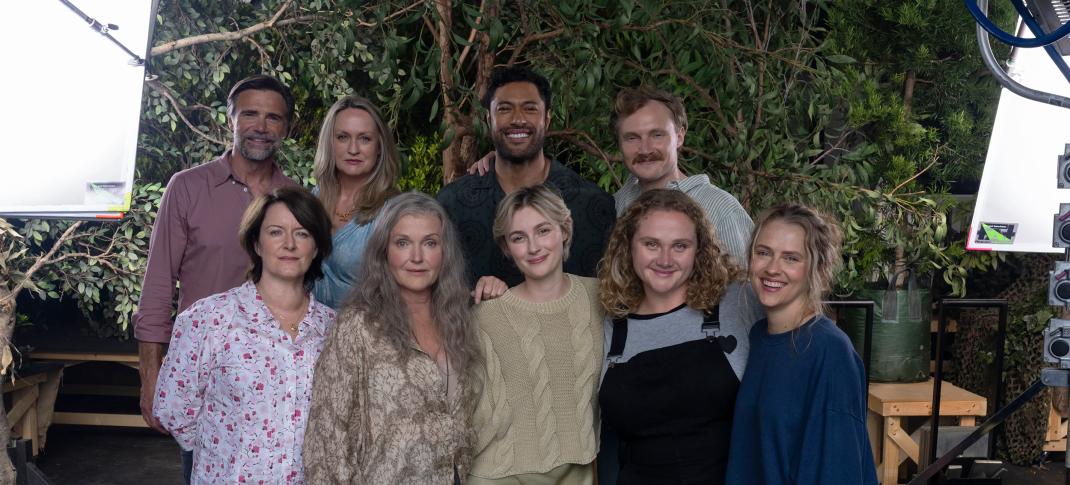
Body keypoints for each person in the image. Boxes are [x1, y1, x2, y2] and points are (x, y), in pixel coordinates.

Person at [134, 74, 299, 482]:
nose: (261, 126)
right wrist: (151, 377)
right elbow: (157, 288)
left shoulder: (297, 199)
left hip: (277, 388)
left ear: (287, 128)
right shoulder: (187, 188)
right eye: (250, 115)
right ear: (230, 120)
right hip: (204, 384)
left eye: (273, 118)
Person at [153, 187, 335, 484]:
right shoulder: (209, 320)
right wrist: (224, 452)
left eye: (302, 234)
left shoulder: (333, 329)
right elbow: (173, 409)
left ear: (315, 248)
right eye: (276, 232)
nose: (289, 244)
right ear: (257, 244)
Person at [303, 192, 478, 483]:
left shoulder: (459, 321)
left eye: (430, 243)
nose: (417, 257)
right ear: (384, 250)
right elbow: (326, 442)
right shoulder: (357, 326)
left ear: (445, 252)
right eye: (403, 243)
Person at [597, 189, 762, 484]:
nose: (665, 259)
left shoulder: (739, 302)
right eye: (651, 244)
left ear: (699, 250)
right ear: (628, 247)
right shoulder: (612, 322)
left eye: (680, 246)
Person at [725, 204, 877, 485]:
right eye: (763, 252)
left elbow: (838, 471)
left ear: (816, 268)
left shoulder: (830, 352)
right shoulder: (758, 337)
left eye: (791, 258)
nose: (772, 268)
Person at [469, 184, 604, 484]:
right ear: (506, 247)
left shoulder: (600, 298)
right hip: (500, 474)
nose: (533, 247)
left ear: (565, 230)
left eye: (543, 230)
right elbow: (467, 411)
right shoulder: (485, 316)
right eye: (519, 237)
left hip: (578, 471)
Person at [437, 66, 615, 286]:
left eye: (530, 108)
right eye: (504, 109)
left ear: (547, 119)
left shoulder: (593, 205)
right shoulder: (451, 205)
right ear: (488, 119)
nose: (517, 119)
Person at [610, 86, 753, 264]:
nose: (645, 149)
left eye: (657, 135)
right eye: (632, 138)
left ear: (679, 137)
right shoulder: (614, 205)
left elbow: (745, 288)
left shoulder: (720, 208)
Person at [311, 95, 400, 309]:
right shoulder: (312, 198)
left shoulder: (395, 212)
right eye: (342, 137)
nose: (353, 149)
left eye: (364, 138)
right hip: (304, 333)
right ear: (329, 143)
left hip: (366, 335)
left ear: (380, 146)